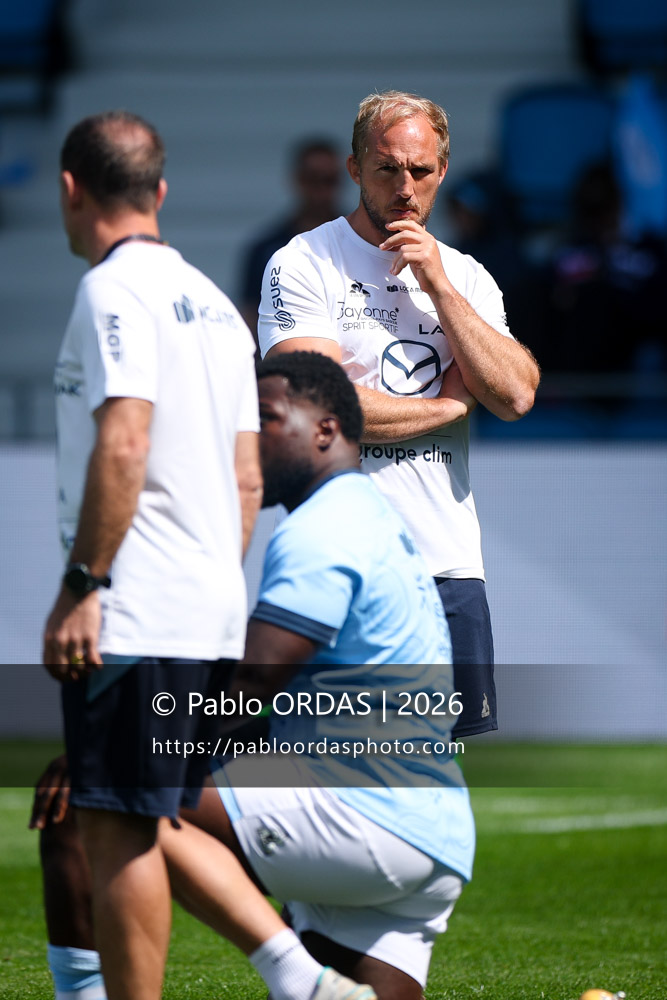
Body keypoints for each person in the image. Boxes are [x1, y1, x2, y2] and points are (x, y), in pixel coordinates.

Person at [33, 353, 475, 1000]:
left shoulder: (324, 528)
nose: (243, 437)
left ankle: (296, 977)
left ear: (326, 429)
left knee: (91, 797)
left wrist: (112, 745)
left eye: (263, 418)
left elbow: (250, 687)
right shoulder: (371, 518)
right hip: (435, 833)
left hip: (364, 815)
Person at [41, 109, 263, 1000]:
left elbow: (125, 441)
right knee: (153, 817)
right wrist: (210, 584)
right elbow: (247, 481)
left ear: (70, 189)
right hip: (210, 608)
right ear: (159, 191)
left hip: (138, 609)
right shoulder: (218, 306)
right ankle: (298, 974)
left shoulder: (111, 290)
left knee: (117, 831)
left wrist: (84, 584)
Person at [258, 90, 541, 738]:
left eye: (420, 170)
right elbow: (316, 403)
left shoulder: (466, 277)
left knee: (434, 772)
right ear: (355, 168)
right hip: (336, 561)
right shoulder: (304, 262)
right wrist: (449, 404)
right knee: (323, 767)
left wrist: (437, 285)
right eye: (387, 168)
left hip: (447, 566)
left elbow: (516, 395)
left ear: (442, 171)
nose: (404, 187)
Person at [238, 137, 343, 341]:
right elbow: (250, 318)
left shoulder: (362, 242)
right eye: (312, 179)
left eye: (329, 180)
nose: (320, 190)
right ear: (297, 179)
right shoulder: (265, 249)